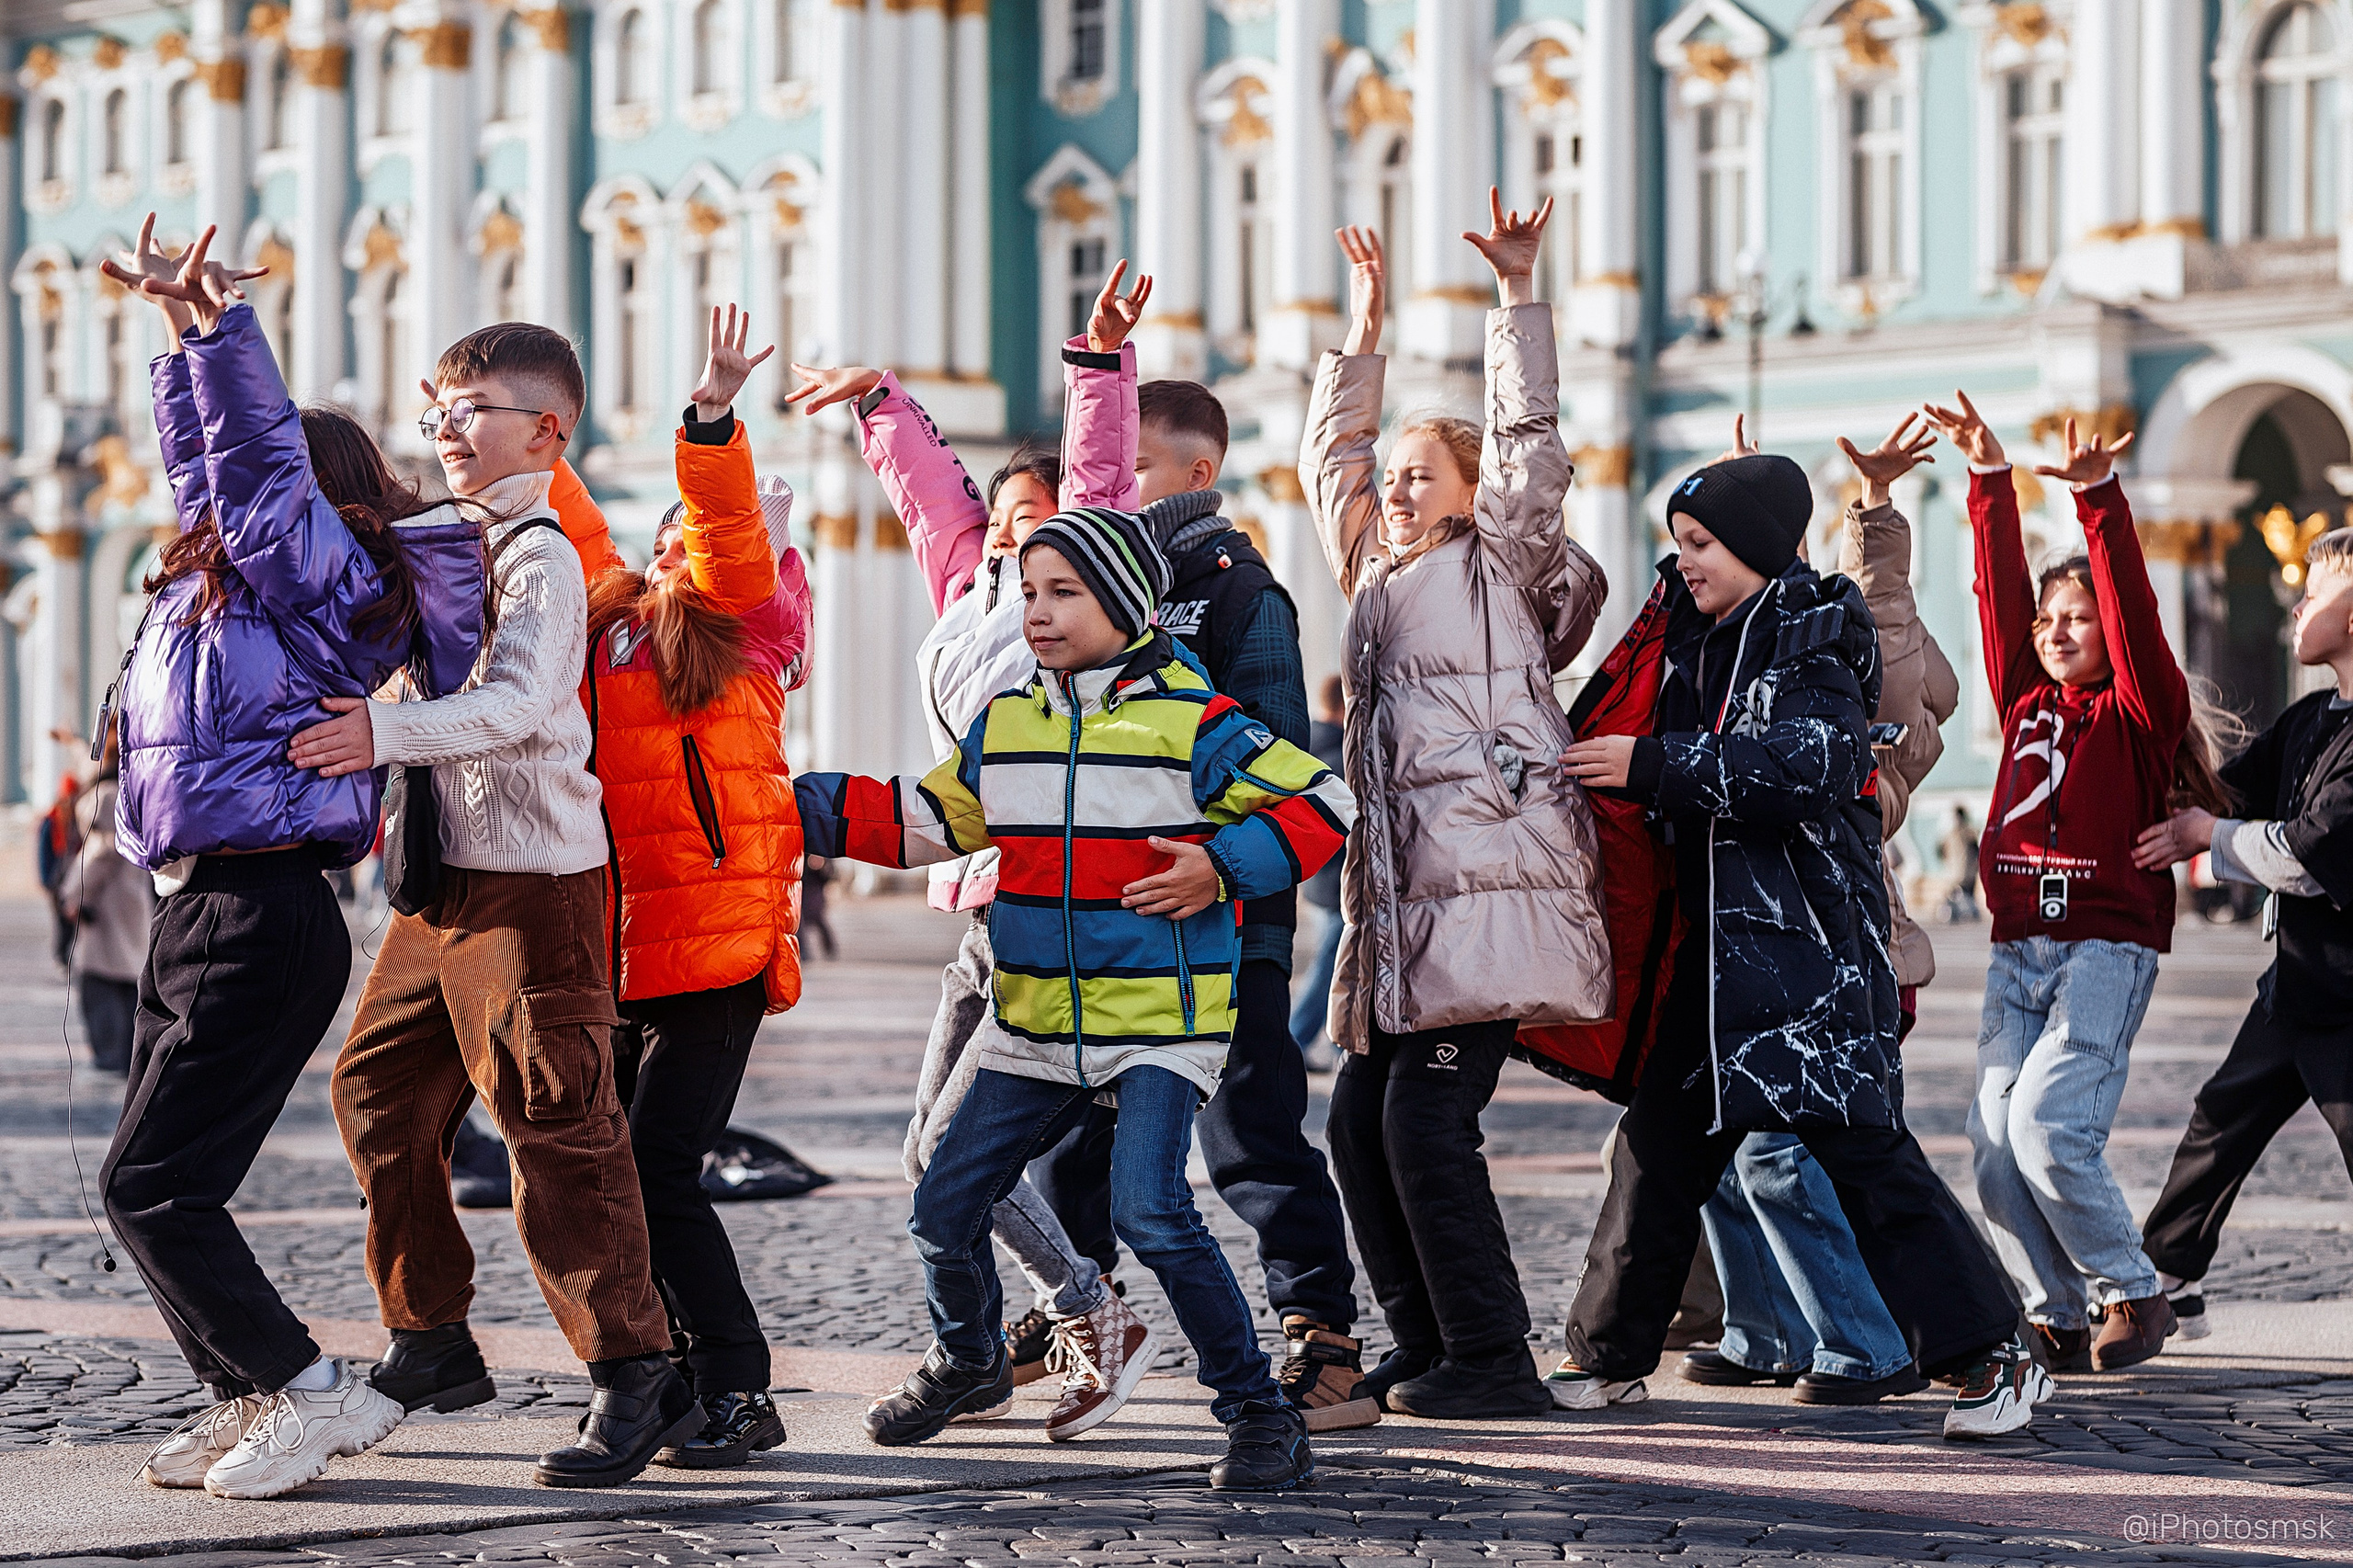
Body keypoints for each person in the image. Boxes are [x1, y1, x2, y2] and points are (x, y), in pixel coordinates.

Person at [793, 505, 1353, 1491]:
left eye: (1066, 593)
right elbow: (929, 818)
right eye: (1030, 592)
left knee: (1152, 1209)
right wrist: (778, 801)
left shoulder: (1195, 722)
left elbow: (1324, 802)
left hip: (1157, 1026)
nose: (1039, 613)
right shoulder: (1009, 723)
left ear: (1128, 604)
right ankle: (968, 1358)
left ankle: (1259, 1413)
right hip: (1038, 1022)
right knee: (941, 1202)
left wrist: (1221, 866)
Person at [1553, 432, 2043, 1441]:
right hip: (1716, 966)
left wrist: (1654, 766)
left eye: (1702, 541)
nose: (1684, 558)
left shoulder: (1814, 632)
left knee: (1867, 1161)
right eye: (1678, 539)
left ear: (1759, 546)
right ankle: (1604, 1357)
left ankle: (1995, 1354)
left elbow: (1809, 766)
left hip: (1804, 960)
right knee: (1655, 1152)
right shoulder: (1697, 637)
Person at [96, 219, 481, 1498]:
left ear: (309, 507)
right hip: (197, 904)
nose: (217, 512)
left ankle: (310, 1389)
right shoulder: (231, 586)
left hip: (261, 914)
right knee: (149, 1181)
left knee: (153, 1183)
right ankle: (245, 1391)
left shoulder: (325, 577)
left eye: (266, 502)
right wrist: (175, 344)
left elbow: (252, 471)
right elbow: (217, 471)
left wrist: (222, 333)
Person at [293, 319, 699, 1489]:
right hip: (439, 887)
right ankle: (431, 1335)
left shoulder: (538, 552)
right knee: (373, 1087)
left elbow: (519, 701)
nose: (449, 428)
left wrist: (380, 730)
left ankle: (635, 1369)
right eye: (441, 408)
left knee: (557, 1127)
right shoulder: (437, 539)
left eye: (476, 409)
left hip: (538, 883)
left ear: (546, 429)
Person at [781, 268, 1155, 1443]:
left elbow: (1096, 477)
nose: (1010, 523)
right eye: (1003, 511)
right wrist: (880, 398)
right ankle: (1063, 1316)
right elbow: (927, 493)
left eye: (1037, 513)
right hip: (981, 900)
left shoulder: (1069, 592)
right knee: (924, 1154)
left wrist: (1097, 367)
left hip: (1052, 903)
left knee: (955, 1156)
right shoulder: (968, 586)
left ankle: (1040, 1329)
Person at [1040, 266, 1374, 1433]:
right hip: (1114, 913)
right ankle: (1073, 1319)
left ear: (1195, 474)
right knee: (1073, 1127)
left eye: (1131, 467)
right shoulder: (1098, 596)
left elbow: (1287, 764)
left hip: (1225, 914)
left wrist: (1225, 877)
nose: (1107, 484)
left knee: (1248, 1129)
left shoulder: (1238, 596)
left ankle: (1323, 1340)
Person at [1298, 196, 1610, 1422]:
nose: (1395, 482)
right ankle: (1428, 1344)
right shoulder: (1378, 568)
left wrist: (1518, 298)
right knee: (1359, 1125)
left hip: (1486, 900)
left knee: (1426, 1122)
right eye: (1395, 473)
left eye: (1422, 469)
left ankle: (1492, 1354)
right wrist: (1363, 333)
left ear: (1474, 493)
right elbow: (1333, 465)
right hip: (1400, 915)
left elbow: (1530, 441)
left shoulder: (1503, 566)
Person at [1922, 391, 2224, 1373]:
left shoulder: (2137, 714)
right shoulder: (2023, 698)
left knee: (2048, 1128)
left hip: (2102, 947)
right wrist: (1986, 482)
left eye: (2076, 618)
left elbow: (2132, 608)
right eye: (2048, 618)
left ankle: (2132, 1290)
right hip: (2016, 952)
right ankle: (2055, 1306)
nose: (2056, 630)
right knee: (1994, 1151)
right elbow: (1992, 595)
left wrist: (2099, 503)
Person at [1684, 414, 1961, 1406]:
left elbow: (1885, 626)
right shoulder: (1740, 640)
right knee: (1726, 1158)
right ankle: (1768, 1330)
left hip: (1845, 953)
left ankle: (1873, 1339)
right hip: (1750, 955)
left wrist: (1878, 511)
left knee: (1793, 1159)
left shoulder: (1857, 695)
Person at [578, 305, 813, 1468]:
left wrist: (713, 416)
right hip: (621, 936)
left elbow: (725, 536)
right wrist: (512, 439)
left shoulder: (743, 616)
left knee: (660, 1167)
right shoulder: (614, 619)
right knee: (615, 1171)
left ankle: (737, 1387)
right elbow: (568, 530)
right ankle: (663, 1375)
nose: (689, 535)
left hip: (714, 938)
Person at [2133, 527, 2353, 1341]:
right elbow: (2229, 796)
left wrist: (2204, 837)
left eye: (2317, 592)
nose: (2296, 605)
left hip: (2348, 999)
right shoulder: (2311, 717)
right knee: (2220, 1120)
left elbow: (2303, 855)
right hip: (2297, 985)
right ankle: (2168, 1277)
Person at [63, 731, 149, 1075]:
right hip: (130, 897)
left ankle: (111, 1054)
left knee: (98, 981)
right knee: (129, 979)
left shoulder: (107, 794)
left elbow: (99, 852)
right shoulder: (133, 790)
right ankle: (127, 1053)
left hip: (106, 902)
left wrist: (73, 895)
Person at [1290, 676, 1347, 1067]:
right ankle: (1297, 1038)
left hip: (1322, 876)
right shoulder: (1340, 753)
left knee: (1337, 960)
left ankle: (1333, 1041)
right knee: (1333, 962)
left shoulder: (1308, 743)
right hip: (1339, 879)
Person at [1942, 804, 1982, 921]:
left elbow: (1940, 851)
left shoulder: (1952, 835)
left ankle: (1959, 912)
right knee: (1964, 895)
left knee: (1959, 895)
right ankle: (1964, 912)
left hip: (1958, 873)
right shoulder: (1969, 833)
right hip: (1966, 872)